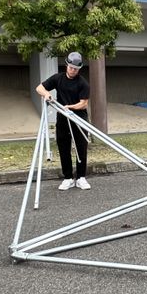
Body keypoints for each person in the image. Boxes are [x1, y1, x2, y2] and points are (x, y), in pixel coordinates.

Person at [36, 52, 91, 191]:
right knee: (63, 147)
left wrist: (69, 107)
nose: (73, 70)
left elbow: (83, 104)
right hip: (62, 118)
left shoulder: (83, 83)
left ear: (79, 69)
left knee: (81, 147)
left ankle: (81, 178)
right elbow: (39, 88)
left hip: (79, 117)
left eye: (76, 69)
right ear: (67, 65)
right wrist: (47, 94)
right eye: (71, 67)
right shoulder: (58, 78)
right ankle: (68, 178)